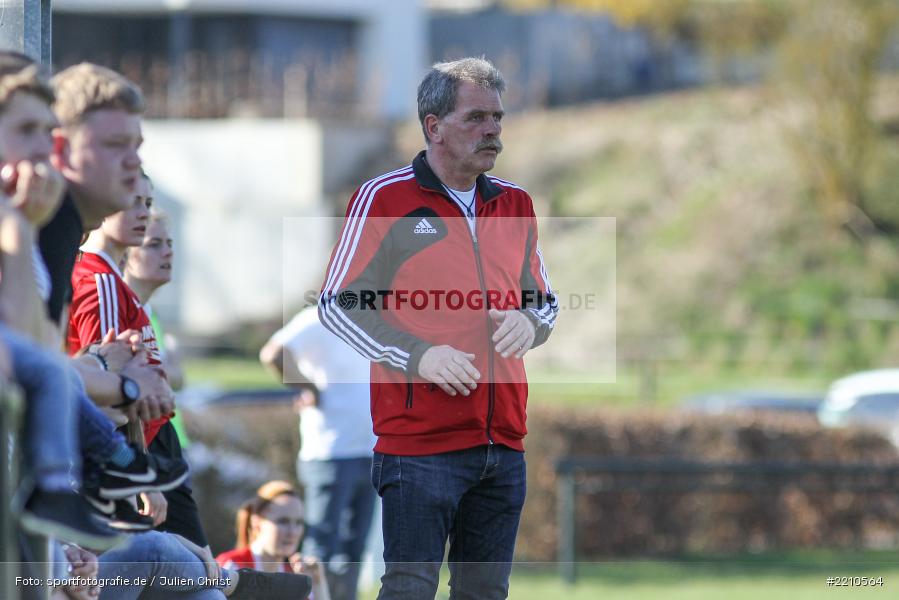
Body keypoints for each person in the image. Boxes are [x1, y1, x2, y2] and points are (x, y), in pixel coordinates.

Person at [318, 57, 558, 599]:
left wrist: (529, 321)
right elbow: (336, 304)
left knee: (484, 594)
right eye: (476, 117)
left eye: (497, 117)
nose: (492, 130)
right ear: (434, 126)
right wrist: (419, 355)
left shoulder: (516, 202)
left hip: (504, 444)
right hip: (418, 446)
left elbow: (544, 300)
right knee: (410, 590)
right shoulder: (383, 199)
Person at [260, 306, 376, 600]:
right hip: (330, 452)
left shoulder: (376, 318)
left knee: (353, 551)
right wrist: (309, 388)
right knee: (320, 549)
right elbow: (273, 354)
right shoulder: (320, 317)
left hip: (371, 450)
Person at [217, 480, 331, 600]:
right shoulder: (232, 565)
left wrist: (318, 583)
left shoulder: (294, 574)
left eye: (298, 522)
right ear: (256, 522)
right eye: (283, 521)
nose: (292, 532)